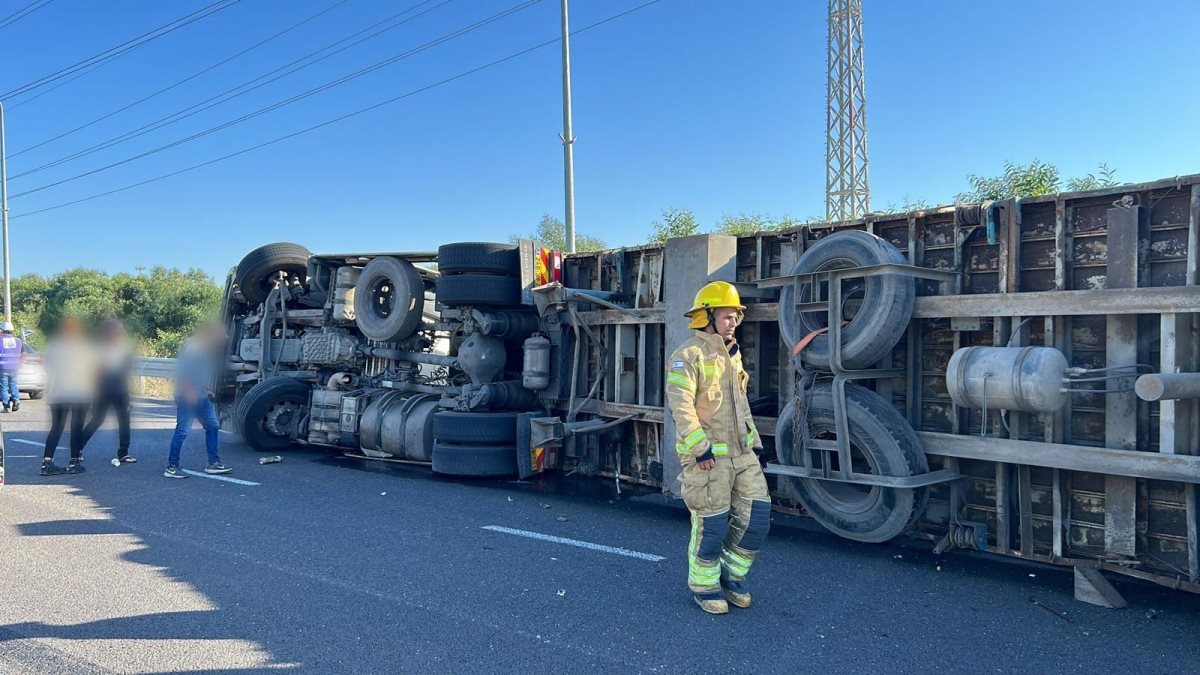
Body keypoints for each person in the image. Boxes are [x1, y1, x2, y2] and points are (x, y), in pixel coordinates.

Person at [665, 281, 771, 615]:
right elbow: (680, 407)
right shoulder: (687, 355)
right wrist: (700, 448)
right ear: (707, 317)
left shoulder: (733, 357)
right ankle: (705, 584)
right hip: (708, 458)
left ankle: (732, 577)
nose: (734, 322)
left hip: (742, 455)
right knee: (712, 526)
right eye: (727, 316)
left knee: (757, 518)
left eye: (736, 316)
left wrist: (753, 443)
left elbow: (740, 405)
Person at [165, 321, 232, 478]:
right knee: (182, 431)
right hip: (188, 396)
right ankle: (171, 467)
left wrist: (206, 389)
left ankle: (213, 463)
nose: (222, 340)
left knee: (213, 426)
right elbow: (184, 370)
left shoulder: (205, 349)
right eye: (220, 337)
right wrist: (190, 391)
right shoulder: (194, 347)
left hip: (200, 395)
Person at [41, 316, 97, 476]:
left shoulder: (53, 346)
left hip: (57, 391)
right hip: (79, 392)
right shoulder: (86, 347)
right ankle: (74, 461)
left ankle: (47, 463)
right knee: (76, 427)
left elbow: (47, 367)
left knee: (56, 427)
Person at [79, 319, 135, 463]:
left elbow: (127, 370)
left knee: (124, 421)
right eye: (117, 331)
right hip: (103, 391)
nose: (120, 334)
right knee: (97, 420)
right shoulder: (99, 349)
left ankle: (123, 453)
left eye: (121, 331)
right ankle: (78, 448)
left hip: (121, 390)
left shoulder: (124, 349)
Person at [0, 322, 24, 412]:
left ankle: (6, 407)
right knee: (13, 385)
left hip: (2, 367)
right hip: (14, 367)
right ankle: (16, 400)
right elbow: (23, 353)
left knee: (4, 388)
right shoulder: (18, 341)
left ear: (2, 330)